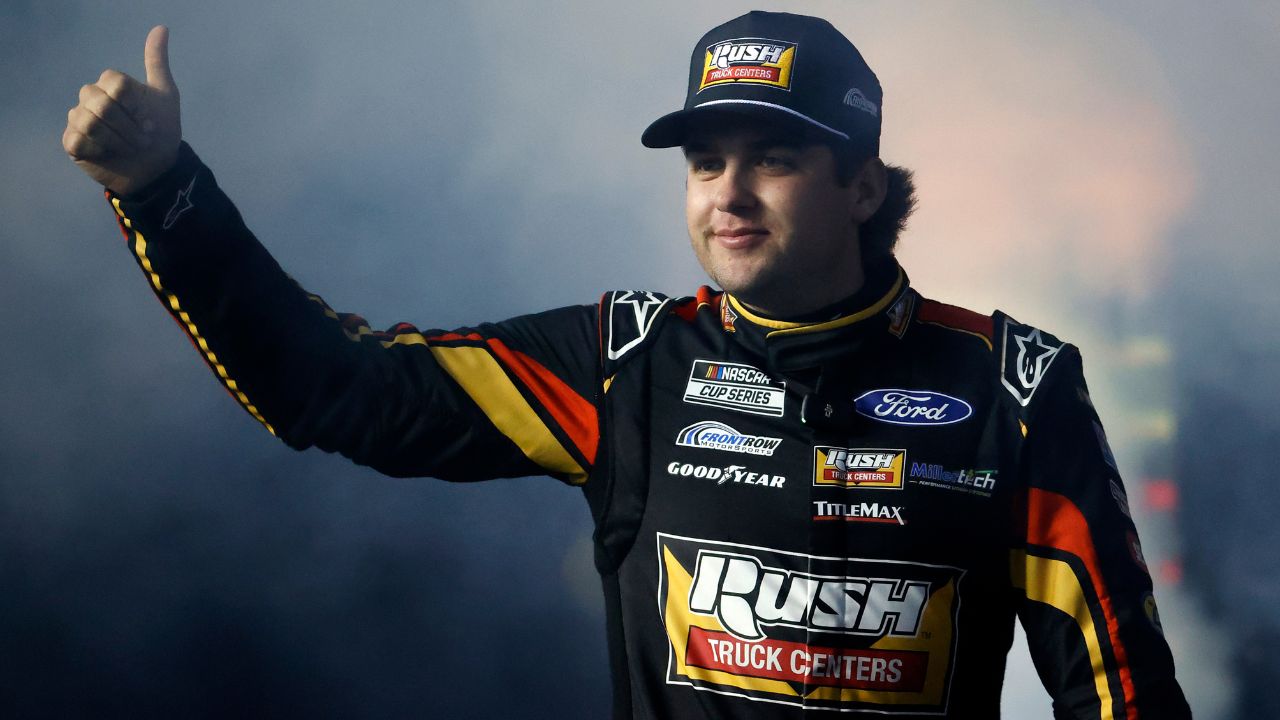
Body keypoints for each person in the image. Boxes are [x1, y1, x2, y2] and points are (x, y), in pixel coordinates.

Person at [64, 11, 1191, 719]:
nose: (727, 194)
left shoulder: (1013, 383)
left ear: (860, 187)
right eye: (705, 161)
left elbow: (1118, 688)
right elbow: (343, 392)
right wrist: (166, 193)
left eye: (774, 159)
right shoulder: (626, 363)